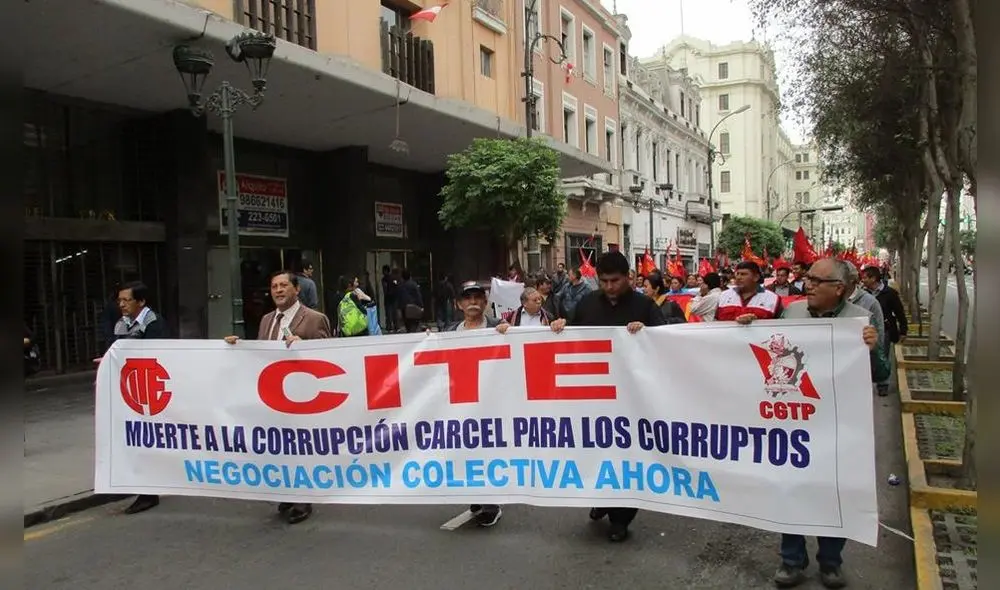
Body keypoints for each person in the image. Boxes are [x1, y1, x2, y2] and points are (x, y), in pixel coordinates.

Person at [737, 258, 879, 588]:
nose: (808, 284)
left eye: (817, 280)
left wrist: (874, 349)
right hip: (794, 422)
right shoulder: (792, 313)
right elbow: (767, 349)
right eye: (807, 279)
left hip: (839, 424)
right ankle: (792, 560)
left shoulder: (861, 320)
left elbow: (883, 373)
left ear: (839, 289)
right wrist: (747, 328)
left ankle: (830, 562)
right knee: (791, 489)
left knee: (833, 491)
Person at [548, 251, 665, 542]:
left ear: (629, 278)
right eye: (604, 281)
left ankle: (621, 518)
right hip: (595, 395)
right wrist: (560, 328)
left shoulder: (645, 306)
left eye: (616, 281)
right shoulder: (588, 303)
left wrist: (648, 333)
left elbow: (667, 343)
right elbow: (573, 337)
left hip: (633, 398)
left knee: (627, 456)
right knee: (597, 451)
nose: (610, 287)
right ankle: (602, 498)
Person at [224, 270, 332, 525]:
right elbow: (261, 355)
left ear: (297, 289)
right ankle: (287, 490)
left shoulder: (314, 319)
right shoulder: (266, 320)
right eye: (274, 286)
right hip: (273, 397)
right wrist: (237, 348)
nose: (278, 290)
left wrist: (305, 347)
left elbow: (330, 356)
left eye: (284, 285)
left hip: (304, 397)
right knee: (282, 446)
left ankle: (304, 498)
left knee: (302, 446)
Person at [445, 280, 508, 527]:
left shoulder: (500, 328)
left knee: (488, 451)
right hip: (460, 403)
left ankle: (491, 504)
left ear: (485, 303)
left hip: (490, 404)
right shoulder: (449, 332)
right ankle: (474, 494)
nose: (473, 302)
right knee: (464, 451)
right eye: (467, 298)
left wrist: (509, 335)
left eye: (477, 298)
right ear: (459, 304)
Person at [109, 280, 169, 515]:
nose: (121, 304)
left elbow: (158, 354)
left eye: (126, 300)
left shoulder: (154, 323)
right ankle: (148, 488)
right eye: (120, 300)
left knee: (147, 439)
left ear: (141, 301)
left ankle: (149, 492)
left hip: (150, 392)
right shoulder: (121, 323)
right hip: (130, 389)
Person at [717, 262, 784, 323]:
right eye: (737, 274)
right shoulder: (723, 296)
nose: (738, 277)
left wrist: (755, 321)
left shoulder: (773, 299)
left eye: (743, 274)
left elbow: (780, 326)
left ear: (756, 277)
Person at [397, 268, 424, 333]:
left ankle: (410, 333)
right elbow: (418, 296)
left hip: (404, 307)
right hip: (414, 307)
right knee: (414, 323)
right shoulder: (413, 284)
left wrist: (399, 307)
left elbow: (399, 297)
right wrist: (421, 306)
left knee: (407, 324)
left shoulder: (400, 285)